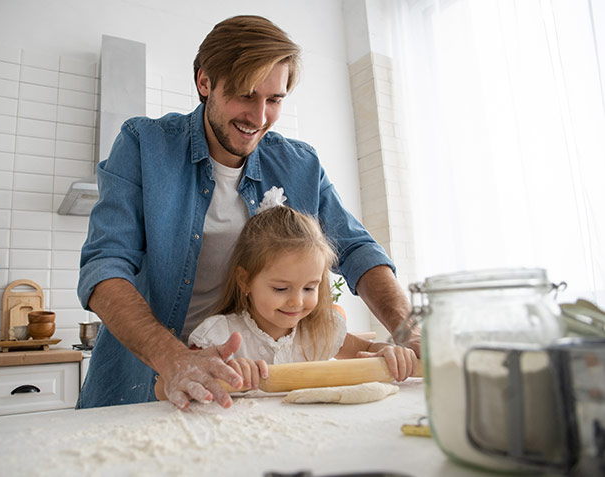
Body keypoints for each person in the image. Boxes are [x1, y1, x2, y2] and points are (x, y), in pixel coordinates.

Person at [77, 14, 419, 411]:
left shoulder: (300, 165)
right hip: (146, 378)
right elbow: (105, 266)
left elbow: (357, 249)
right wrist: (174, 358)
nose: (259, 119)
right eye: (245, 94)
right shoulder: (144, 146)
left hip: (246, 390)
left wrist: (408, 331)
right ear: (205, 82)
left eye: (274, 100)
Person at [155, 199, 418, 401]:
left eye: (309, 288)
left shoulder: (320, 330)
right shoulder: (221, 336)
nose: (296, 302)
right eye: (281, 289)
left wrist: (389, 352)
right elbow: (163, 389)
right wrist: (219, 373)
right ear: (245, 281)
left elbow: (369, 352)